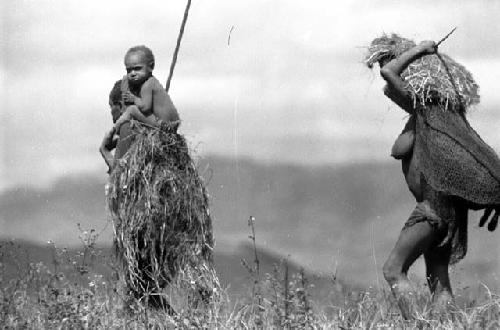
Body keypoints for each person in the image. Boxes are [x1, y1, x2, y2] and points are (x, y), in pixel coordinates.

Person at [369, 37, 500, 319]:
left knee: (393, 270)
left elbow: (388, 73)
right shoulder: (432, 117)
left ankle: (417, 326)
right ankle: (447, 327)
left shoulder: (428, 113)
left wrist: (419, 50)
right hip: (447, 214)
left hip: (432, 210)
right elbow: (388, 87)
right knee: (438, 278)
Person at [99, 45, 180, 172]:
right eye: (129, 70)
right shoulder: (156, 139)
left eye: (111, 108)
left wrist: (104, 150)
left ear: (120, 105)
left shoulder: (128, 129)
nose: (112, 116)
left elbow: (119, 176)